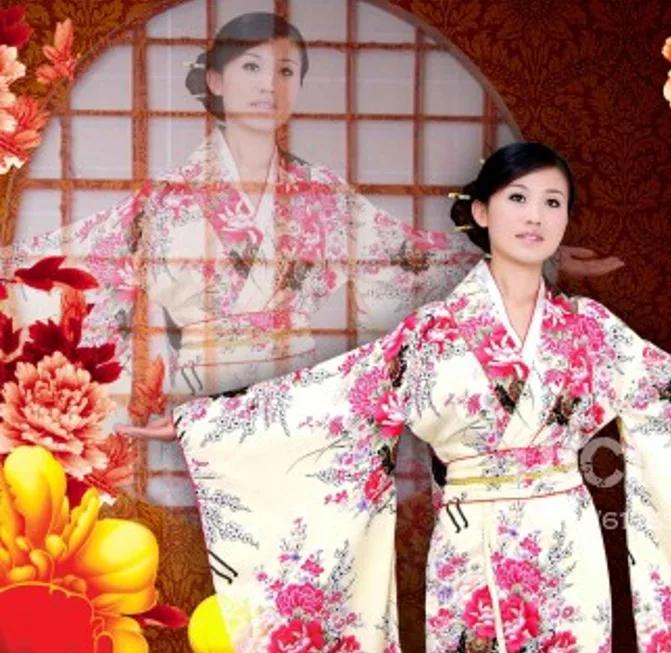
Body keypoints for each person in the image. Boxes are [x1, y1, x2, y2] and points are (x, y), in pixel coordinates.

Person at [122, 142, 671, 653]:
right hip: (472, 544)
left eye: (553, 203)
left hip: (567, 541)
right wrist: (199, 423)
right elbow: (327, 397)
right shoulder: (432, 335)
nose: (536, 216)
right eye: (519, 198)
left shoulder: (589, 330)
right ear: (483, 212)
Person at [14, 12, 621, 505]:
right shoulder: (168, 199)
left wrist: (529, 256)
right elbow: (77, 262)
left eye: (285, 71)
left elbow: (407, 258)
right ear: (216, 81)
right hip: (204, 400)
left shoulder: (321, 193)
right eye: (251, 67)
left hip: (300, 402)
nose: (268, 86)